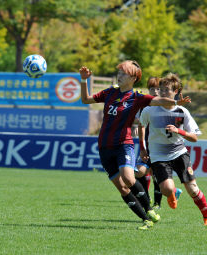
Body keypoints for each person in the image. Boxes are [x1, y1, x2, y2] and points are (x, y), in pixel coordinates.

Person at [79, 61, 191, 230]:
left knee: (129, 178)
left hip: (124, 144)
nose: (120, 75)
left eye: (124, 73)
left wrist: (175, 102)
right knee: (122, 188)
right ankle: (146, 219)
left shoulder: (137, 97)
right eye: (120, 72)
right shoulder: (110, 92)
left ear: (133, 78)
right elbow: (86, 99)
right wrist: (83, 80)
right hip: (104, 146)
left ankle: (149, 209)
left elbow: (158, 100)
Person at [139, 73, 207, 226]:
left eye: (166, 90)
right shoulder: (149, 110)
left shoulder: (182, 112)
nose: (162, 92)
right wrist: (142, 147)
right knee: (166, 190)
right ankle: (172, 194)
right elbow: (141, 125)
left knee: (192, 189)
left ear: (176, 92)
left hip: (179, 153)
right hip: (158, 155)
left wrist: (179, 131)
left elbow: (194, 138)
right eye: (161, 89)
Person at [135, 77, 182, 210]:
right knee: (139, 171)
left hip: (160, 147)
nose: (155, 91)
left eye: (158, 89)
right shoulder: (145, 105)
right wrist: (136, 128)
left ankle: (157, 204)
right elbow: (141, 122)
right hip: (147, 145)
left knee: (156, 176)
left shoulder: (166, 106)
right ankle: (146, 198)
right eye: (152, 89)